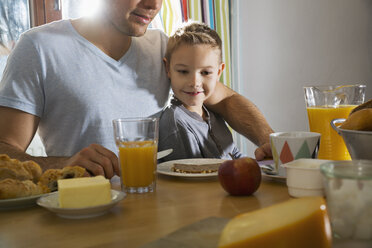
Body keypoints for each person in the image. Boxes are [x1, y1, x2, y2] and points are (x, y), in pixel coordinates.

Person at [0, 0, 273, 179]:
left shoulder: (162, 47)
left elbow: (227, 100)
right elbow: (4, 151)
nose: (153, 4)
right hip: (84, 218)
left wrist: (270, 141)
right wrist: (64, 164)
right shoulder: (39, 47)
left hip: (158, 211)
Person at [159, 22, 243, 161]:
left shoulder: (212, 112)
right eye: (183, 71)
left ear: (219, 72)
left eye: (205, 72)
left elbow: (233, 153)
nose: (194, 82)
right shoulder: (176, 125)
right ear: (168, 68)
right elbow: (190, 177)